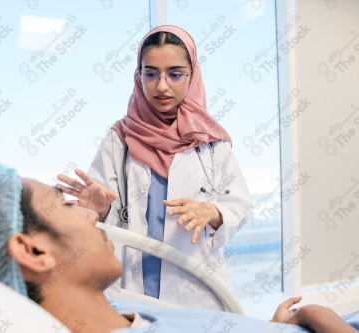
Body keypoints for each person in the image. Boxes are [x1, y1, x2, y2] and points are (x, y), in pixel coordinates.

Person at [0, 165, 359, 333]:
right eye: (64, 203)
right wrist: (320, 319)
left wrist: (271, 328)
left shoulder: (123, 311)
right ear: (33, 252)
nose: (93, 214)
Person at [57, 24, 253, 310]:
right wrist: (99, 210)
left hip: (196, 293)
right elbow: (104, 216)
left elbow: (240, 206)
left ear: (192, 75)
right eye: (151, 73)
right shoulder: (119, 139)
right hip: (130, 290)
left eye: (175, 74)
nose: (162, 86)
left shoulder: (212, 144)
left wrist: (213, 212)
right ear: (139, 77)